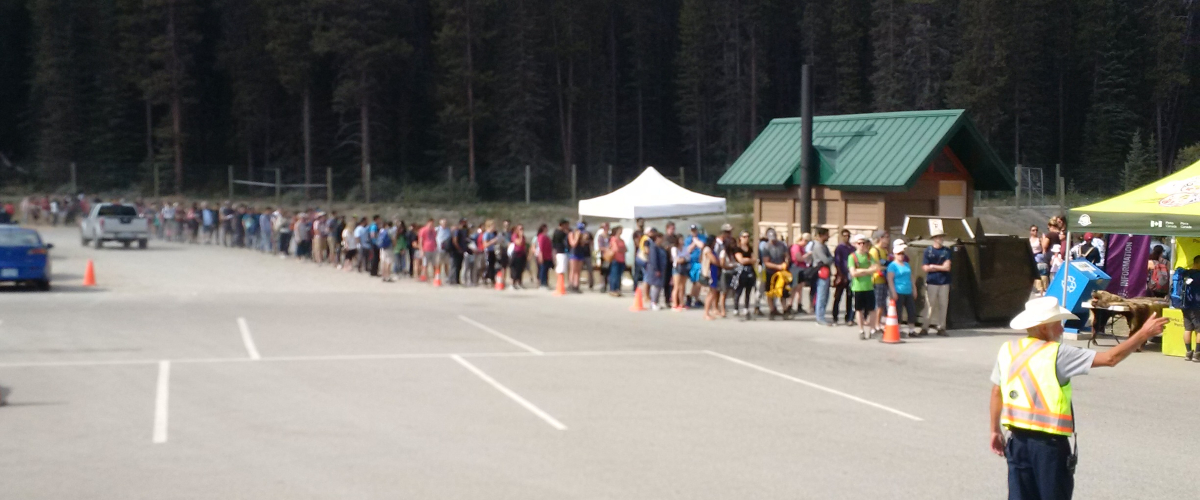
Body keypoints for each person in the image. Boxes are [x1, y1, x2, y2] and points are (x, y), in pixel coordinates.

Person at [989, 297, 1168, 500]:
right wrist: (1143, 334)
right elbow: (1110, 358)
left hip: (1017, 443)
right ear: (1043, 328)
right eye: (1058, 324)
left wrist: (995, 430)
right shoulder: (1057, 353)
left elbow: (997, 391)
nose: (1062, 330)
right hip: (1049, 446)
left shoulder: (1008, 350)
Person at [920, 231, 952, 337]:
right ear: (934, 238)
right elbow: (925, 267)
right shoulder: (928, 251)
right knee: (929, 305)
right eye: (938, 237)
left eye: (942, 237)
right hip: (932, 282)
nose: (941, 239)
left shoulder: (946, 251)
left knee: (943, 305)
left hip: (944, 282)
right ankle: (925, 327)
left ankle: (941, 328)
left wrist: (933, 266)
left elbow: (947, 267)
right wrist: (939, 267)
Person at [848, 234, 879, 339]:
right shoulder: (852, 257)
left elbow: (875, 268)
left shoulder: (869, 256)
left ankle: (872, 329)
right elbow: (853, 273)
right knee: (859, 310)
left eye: (863, 243)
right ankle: (861, 330)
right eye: (859, 243)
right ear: (855, 244)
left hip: (869, 286)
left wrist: (861, 270)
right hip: (858, 287)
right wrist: (867, 271)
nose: (861, 245)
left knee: (872, 309)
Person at [887, 239, 916, 336]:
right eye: (899, 254)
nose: (901, 255)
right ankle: (898, 330)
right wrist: (893, 291)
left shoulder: (907, 264)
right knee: (898, 312)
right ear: (895, 254)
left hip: (908, 290)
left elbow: (911, 277)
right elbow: (890, 279)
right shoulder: (892, 266)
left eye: (902, 253)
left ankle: (911, 330)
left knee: (911, 311)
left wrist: (914, 288)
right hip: (898, 290)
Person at [808, 228, 834, 326]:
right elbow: (826, 260)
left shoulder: (824, 246)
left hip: (826, 272)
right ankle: (820, 317)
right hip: (820, 273)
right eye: (826, 235)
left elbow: (830, 258)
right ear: (821, 235)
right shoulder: (818, 247)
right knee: (821, 295)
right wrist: (831, 259)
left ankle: (821, 315)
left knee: (825, 295)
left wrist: (831, 258)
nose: (828, 236)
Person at [761, 228, 789, 319]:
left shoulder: (782, 245)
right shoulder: (766, 247)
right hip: (770, 272)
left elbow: (787, 256)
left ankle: (785, 310)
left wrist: (786, 262)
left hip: (781, 272)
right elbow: (766, 262)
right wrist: (778, 267)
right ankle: (772, 310)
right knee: (770, 292)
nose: (773, 240)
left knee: (783, 291)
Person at [869, 231, 892, 334]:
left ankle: (878, 323)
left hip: (884, 279)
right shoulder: (874, 251)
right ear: (880, 238)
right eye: (886, 237)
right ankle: (875, 325)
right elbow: (876, 266)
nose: (888, 240)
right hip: (876, 279)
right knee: (878, 304)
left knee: (882, 304)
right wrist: (888, 267)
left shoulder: (885, 251)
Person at [832, 229, 855, 325]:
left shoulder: (852, 248)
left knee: (849, 297)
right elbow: (837, 262)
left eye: (848, 236)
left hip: (850, 274)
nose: (847, 237)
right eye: (845, 235)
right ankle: (835, 316)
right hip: (841, 274)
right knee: (838, 297)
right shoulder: (839, 248)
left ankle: (849, 317)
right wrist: (840, 274)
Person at [732, 232, 756, 318]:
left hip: (750, 270)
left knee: (748, 290)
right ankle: (736, 308)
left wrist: (748, 260)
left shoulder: (749, 248)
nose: (746, 238)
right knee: (739, 290)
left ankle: (746, 308)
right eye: (744, 236)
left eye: (747, 236)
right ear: (740, 238)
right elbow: (740, 260)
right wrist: (749, 260)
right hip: (740, 271)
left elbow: (754, 259)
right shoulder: (737, 248)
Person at [684, 225, 708, 309]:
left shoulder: (702, 237)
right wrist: (695, 242)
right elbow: (688, 250)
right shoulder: (688, 239)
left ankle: (691, 297)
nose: (693, 232)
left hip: (700, 261)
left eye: (694, 230)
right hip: (692, 262)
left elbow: (702, 246)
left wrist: (696, 241)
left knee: (699, 280)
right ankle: (694, 298)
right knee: (695, 281)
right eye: (692, 230)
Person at [1182, 255, 1200, 362]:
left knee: (1188, 329)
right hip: (1197, 305)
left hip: (1185, 305)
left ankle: (1188, 353)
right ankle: (1197, 354)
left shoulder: (1185, 273)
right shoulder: (1198, 275)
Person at [646, 231, 669, 310]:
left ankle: (656, 302)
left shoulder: (661, 247)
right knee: (656, 286)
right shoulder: (654, 247)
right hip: (656, 270)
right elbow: (653, 259)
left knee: (659, 287)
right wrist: (656, 270)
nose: (662, 240)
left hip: (662, 269)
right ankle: (653, 302)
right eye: (660, 238)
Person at [701, 236, 720, 320]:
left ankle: (713, 309)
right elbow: (714, 260)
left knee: (714, 292)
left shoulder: (712, 250)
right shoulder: (707, 250)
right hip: (709, 273)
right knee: (710, 293)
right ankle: (706, 313)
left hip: (714, 272)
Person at [607, 226, 627, 296]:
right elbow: (616, 249)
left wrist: (621, 250)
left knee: (619, 275)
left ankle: (618, 289)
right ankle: (612, 289)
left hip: (622, 259)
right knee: (614, 275)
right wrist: (622, 250)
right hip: (615, 259)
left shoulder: (622, 240)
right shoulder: (613, 239)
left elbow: (626, 249)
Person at [552, 219, 570, 290]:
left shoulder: (558, 232)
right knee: (560, 268)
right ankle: (560, 285)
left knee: (561, 268)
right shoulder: (559, 233)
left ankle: (561, 285)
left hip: (561, 252)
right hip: (560, 252)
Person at [509, 224, 528, 289]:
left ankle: (519, 282)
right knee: (514, 269)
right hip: (516, 254)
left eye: (522, 229)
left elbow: (524, 245)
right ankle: (512, 283)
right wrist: (520, 236)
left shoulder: (523, 237)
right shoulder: (515, 236)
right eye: (520, 229)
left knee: (520, 269)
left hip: (522, 254)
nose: (521, 230)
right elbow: (518, 243)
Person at [536, 224, 553, 289]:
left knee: (546, 270)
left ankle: (545, 283)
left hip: (548, 256)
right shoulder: (541, 237)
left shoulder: (547, 237)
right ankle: (542, 283)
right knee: (542, 270)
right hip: (543, 256)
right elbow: (540, 247)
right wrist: (541, 256)